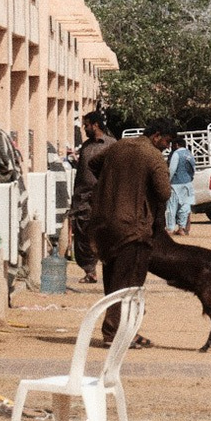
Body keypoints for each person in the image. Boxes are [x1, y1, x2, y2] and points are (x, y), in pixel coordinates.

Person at [90, 125, 171, 343]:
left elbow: (93, 163)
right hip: (133, 228)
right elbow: (164, 192)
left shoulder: (119, 146)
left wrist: (112, 183)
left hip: (106, 225)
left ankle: (119, 330)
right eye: (166, 141)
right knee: (129, 282)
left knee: (112, 281)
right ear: (156, 136)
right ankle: (118, 332)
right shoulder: (152, 155)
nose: (167, 147)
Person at [65, 110, 113, 284]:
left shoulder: (111, 145)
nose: (84, 129)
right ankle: (89, 270)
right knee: (82, 235)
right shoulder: (86, 146)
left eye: (86, 125)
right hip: (82, 199)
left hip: (100, 199)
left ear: (95, 125)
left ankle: (102, 269)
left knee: (99, 234)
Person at [161, 123, 196, 235]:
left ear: (176, 145)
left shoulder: (176, 154)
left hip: (175, 184)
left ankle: (170, 228)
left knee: (172, 207)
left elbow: (172, 169)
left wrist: (167, 181)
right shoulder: (189, 154)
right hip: (187, 183)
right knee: (184, 207)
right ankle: (182, 228)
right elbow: (193, 170)